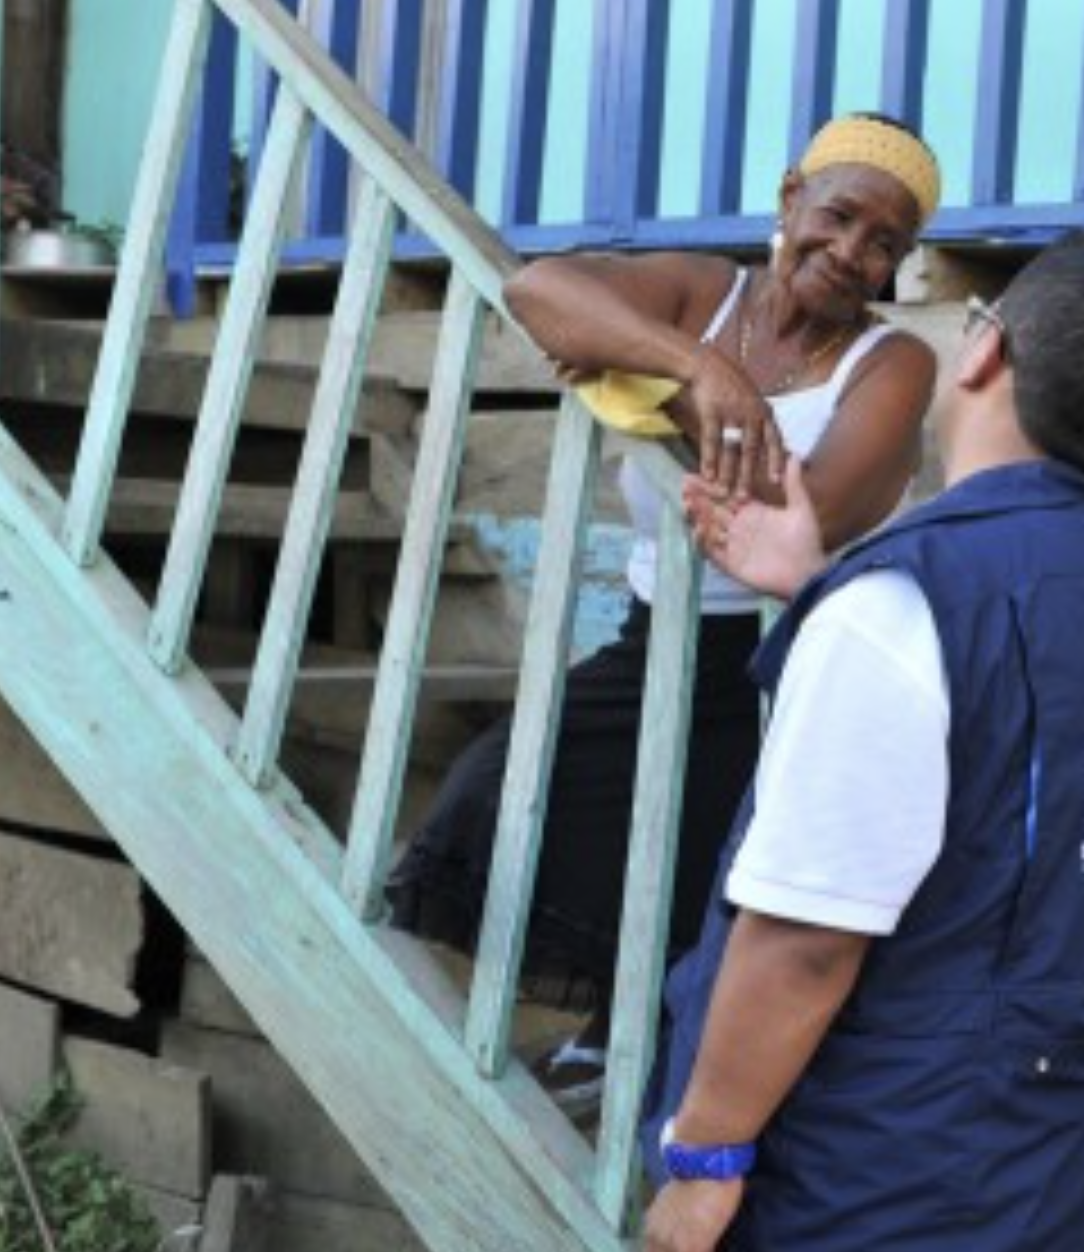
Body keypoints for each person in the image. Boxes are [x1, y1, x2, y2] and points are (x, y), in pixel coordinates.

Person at [642, 229, 1084, 1252]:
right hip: (1053, 1176)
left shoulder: (903, 608)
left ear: (982, 350)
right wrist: (818, 587)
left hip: (874, 1187)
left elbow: (807, 942)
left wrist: (705, 1160)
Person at [384, 115, 944, 1111]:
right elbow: (536, 291)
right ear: (788, 199)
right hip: (658, 639)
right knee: (493, 793)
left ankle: (649, 1057)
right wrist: (696, 368)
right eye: (840, 215)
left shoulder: (891, 366)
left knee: (718, 882)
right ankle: (615, 1025)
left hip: (776, 663)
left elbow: (798, 512)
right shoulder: (705, 294)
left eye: (885, 244)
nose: (854, 253)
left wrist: (635, 381)